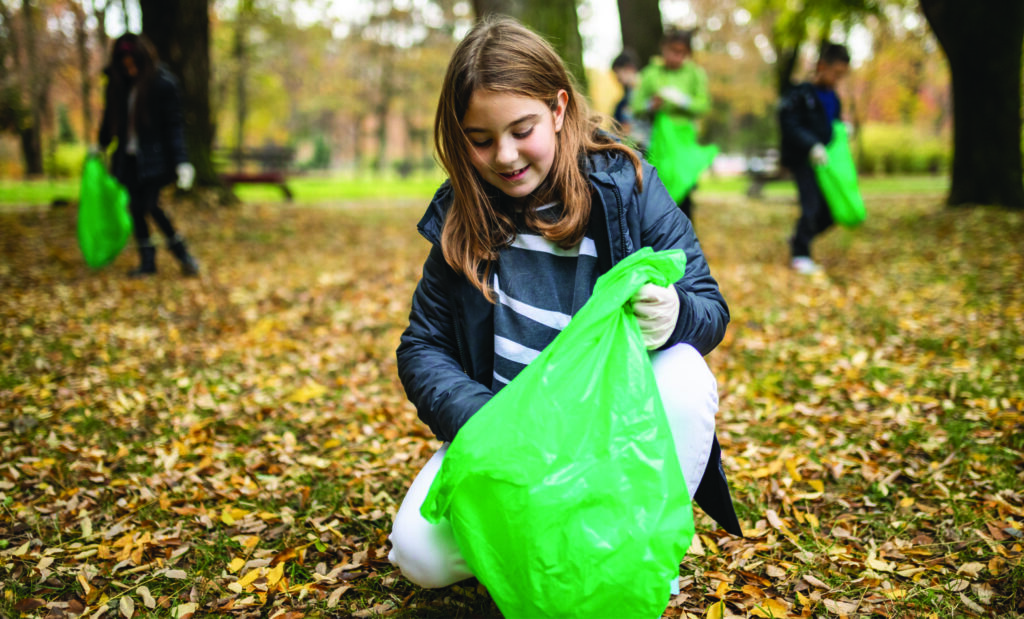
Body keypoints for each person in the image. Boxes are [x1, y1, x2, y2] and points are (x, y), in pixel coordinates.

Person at [389, 16, 741, 592]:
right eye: (480, 139)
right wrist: (483, 422)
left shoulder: (627, 185)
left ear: (557, 109)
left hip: (607, 433)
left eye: (521, 129)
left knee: (684, 370)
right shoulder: (462, 212)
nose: (504, 156)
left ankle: (632, 542)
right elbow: (422, 346)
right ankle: (545, 537)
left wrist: (676, 313)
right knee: (418, 555)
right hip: (508, 438)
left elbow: (709, 306)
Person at [98, 33, 198, 278]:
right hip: (128, 157)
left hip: (155, 159)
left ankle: (182, 253)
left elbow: (174, 125)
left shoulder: (163, 84)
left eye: (133, 63)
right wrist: (101, 144)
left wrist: (182, 161)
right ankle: (148, 261)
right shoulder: (118, 83)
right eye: (124, 63)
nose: (128, 68)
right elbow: (109, 118)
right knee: (136, 207)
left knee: (150, 205)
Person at [778, 42, 851, 275]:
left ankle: (799, 237)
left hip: (826, 164)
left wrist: (843, 129)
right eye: (836, 73)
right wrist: (810, 145)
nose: (838, 79)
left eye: (843, 75)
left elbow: (834, 124)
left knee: (830, 211)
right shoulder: (800, 94)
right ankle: (800, 255)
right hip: (803, 160)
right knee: (811, 205)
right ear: (822, 66)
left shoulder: (834, 99)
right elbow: (788, 123)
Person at [629, 27, 711, 223]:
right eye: (672, 51)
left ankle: (686, 242)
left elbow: (703, 105)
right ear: (663, 49)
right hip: (658, 144)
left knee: (683, 193)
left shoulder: (695, 74)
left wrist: (682, 101)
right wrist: (651, 105)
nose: (676, 57)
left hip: (683, 144)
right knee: (658, 191)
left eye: (682, 53)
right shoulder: (650, 73)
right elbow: (636, 107)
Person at [611, 49, 641, 143]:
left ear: (629, 68)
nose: (617, 79)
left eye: (617, 73)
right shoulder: (624, 99)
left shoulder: (644, 92)